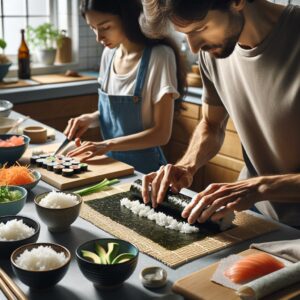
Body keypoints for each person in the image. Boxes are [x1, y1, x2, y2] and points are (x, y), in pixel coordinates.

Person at [140, 0, 300, 228]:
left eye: (199, 28)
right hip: (258, 214)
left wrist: (259, 187)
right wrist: (187, 166)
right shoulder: (212, 53)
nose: (194, 47)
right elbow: (211, 124)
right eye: (184, 34)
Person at [64, 0, 186, 174]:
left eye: (105, 27)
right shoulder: (109, 54)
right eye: (93, 28)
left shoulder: (160, 56)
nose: (99, 37)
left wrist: (107, 144)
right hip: (111, 166)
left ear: (128, 18)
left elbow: (161, 134)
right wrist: (90, 118)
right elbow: (115, 115)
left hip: (146, 172)